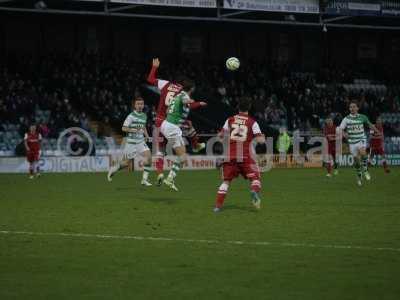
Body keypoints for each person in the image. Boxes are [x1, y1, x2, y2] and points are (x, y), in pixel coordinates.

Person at [147, 58, 206, 186]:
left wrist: (154, 67)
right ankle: (196, 145)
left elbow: (150, 79)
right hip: (171, 121)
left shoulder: (166, 84)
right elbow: (187, 105)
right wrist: (197, 103)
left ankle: (160, 173)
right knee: (188, 126)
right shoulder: (183, 92)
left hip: (159, 122)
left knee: (160, 150)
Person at [214, 97, 266, 212]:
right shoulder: (252, 122)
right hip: (246, 156)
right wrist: (263, 137)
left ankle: (217, 207)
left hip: (230, 155)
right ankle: (254, 190)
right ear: (249, 107)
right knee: (255, 178)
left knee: (226, 181)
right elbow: (261, 141)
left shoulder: (230, 120)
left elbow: (219, 137)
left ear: (238, 107)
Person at [160, 79, 205, 191]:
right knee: (183, 157)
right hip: (172, 128)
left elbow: (168, 111)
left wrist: (196, 104)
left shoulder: (176, 96)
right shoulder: (183, 95)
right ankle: (169, 178)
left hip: (166, 124)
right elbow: (185, 101)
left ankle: (196, 146)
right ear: (192, 88)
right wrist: (191, 100)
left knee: (189, 126)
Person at [107, 97, 152, 186]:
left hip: (140, 142)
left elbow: (143, 126)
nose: (140, 106)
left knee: (149, 158)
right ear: (135, 105)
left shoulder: (144, 115)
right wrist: (134, 130)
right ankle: (114, 168)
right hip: (131, 143)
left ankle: (144, 180)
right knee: (126, 164)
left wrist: (146, 136)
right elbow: (124, 128)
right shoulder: (131, 116)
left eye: (141, 104)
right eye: (138, 104)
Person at [338, 101, 379, 186]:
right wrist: (344, 134)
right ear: (349, 109)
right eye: (350, 107)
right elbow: (340, 129)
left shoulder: (363, 117)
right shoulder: (346, 119)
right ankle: (359, 175)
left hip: (361, 139)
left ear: (357, 108)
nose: (352, 108)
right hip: (352, 142)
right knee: (356, 161)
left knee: (363, 153)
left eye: (354, 107)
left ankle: (365, 169)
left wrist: (377, 131)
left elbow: (370, 124)